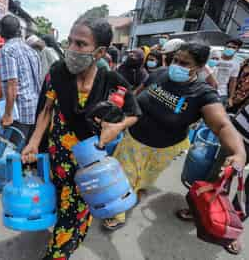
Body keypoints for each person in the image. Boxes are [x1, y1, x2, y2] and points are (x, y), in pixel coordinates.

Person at [21, 17, 142, 260]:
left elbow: (134, 113)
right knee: (57, 201)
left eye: (81, 44)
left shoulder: (112, 82)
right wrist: (34, 141)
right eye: (70, 42)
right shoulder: (57, 73)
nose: (72, 50)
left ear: (100, 52)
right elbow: (46, 110)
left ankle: (58, 253)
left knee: (73, 210)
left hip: (88, 166)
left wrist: (117, 127)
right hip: (57, 158)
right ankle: (70, 236)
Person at [102, 43, 246, 233]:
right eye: (175, 60)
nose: (176, 66)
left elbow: (222, 124)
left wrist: (239, 151)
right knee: (124, 176)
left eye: (184, 63)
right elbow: (136, 95)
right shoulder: (160, 74)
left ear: (200, 67)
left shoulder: (202, 93)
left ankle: (137, 189)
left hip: (166, 148)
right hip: (133, 139)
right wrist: (118, 113)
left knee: (146, 177)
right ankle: (119, 211)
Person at [176, 100, 249, 255]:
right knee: (218, 176)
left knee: (247, 196)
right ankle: (200, 211)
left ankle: (230, 228)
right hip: (240, 134)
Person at [0, 15, 41, 138]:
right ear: (19, 30)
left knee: (15, 152)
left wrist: (7, 114)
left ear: (1, 31)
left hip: (19, 112)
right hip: (34, 108)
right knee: (28, 152)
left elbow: (12, 84)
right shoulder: (31, 50)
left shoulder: (7, 50)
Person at [215, 39, 243, 107]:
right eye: (229, 46)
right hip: (204, 88)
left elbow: (233, 82)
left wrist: (230, 98)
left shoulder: (236, 64)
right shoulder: (214, 56)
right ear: (225, 47)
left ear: (237, 50)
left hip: (221, 93)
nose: (230, 49)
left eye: (234, 48)